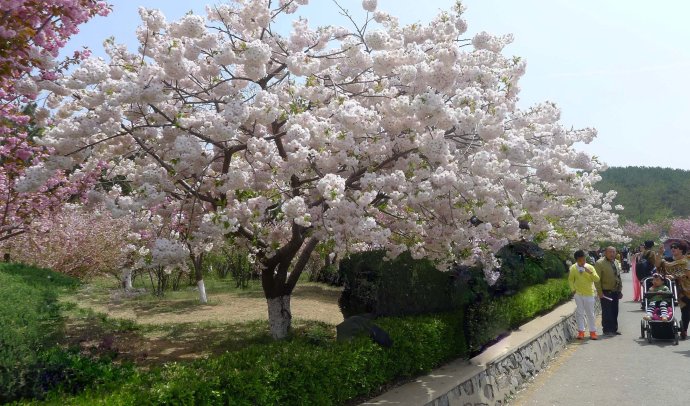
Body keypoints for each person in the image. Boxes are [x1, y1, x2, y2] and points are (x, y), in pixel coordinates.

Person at [657, 242, 690, 339]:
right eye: (672, 247)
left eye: (676, 247)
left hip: (687, 287)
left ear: (681, 250)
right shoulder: (669, 260)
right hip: (677, 289)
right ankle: (683, 330)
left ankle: (684, 329)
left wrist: (675, 276)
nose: (673, 249)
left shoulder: (687, 260)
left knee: (687, 309)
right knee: (685, 310)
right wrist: (660, 253)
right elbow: (658, 264)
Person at [568, 250, 600, 340]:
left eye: (584, 260)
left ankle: (593, 332)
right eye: (580, 260)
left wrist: (590, 272)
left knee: (590, 313)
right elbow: (570, 279)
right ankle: (581, 332)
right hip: (578, 294)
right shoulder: (573, 268)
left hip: (589, 293)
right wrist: (573, 289)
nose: (583, 262)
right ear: (576, 260)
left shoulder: (590, 267)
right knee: (580, 313)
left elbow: (597, 279)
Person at [594, 246, 623, 336]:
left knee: (615, 310)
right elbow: (597, 279)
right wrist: (599, 292)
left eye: (613, 252)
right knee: (607, 311)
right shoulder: (600, 263)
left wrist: (620, 290)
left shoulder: (616, 262)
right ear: (605, 253)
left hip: (615, 291)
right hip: (606, 291)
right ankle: (607, 330)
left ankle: (614, 329)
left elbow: (618, 277)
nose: (612, 254)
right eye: (610, 252)